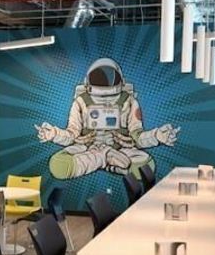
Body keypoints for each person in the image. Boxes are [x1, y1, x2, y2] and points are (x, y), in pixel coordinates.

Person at [35, 57, 180, 179]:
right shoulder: (81, 101)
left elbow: (137, 135)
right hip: (86, 148)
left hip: (121, 149)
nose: (105, 83)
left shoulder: (128, 101)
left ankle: (103, 162)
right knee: (57, 165)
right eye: (100, 78)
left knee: (147, 167)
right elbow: (72, 134)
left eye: (110, 77)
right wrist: (54, 134)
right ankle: (105, 159)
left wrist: (157, 136)